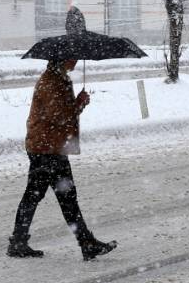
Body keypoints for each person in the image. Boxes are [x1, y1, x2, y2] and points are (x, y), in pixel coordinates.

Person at [7, 59, 117, 261]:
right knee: (64, 197)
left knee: (39, 195)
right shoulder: (51, 82)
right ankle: (86, 243)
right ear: (62, 58)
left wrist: (76, 105)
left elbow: (61, 114)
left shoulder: (58, 79)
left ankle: (19, 241)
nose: (75, 60)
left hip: (48, 146)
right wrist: (78, 104)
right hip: (47, 148)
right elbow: (57, 116)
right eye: (71, 57)